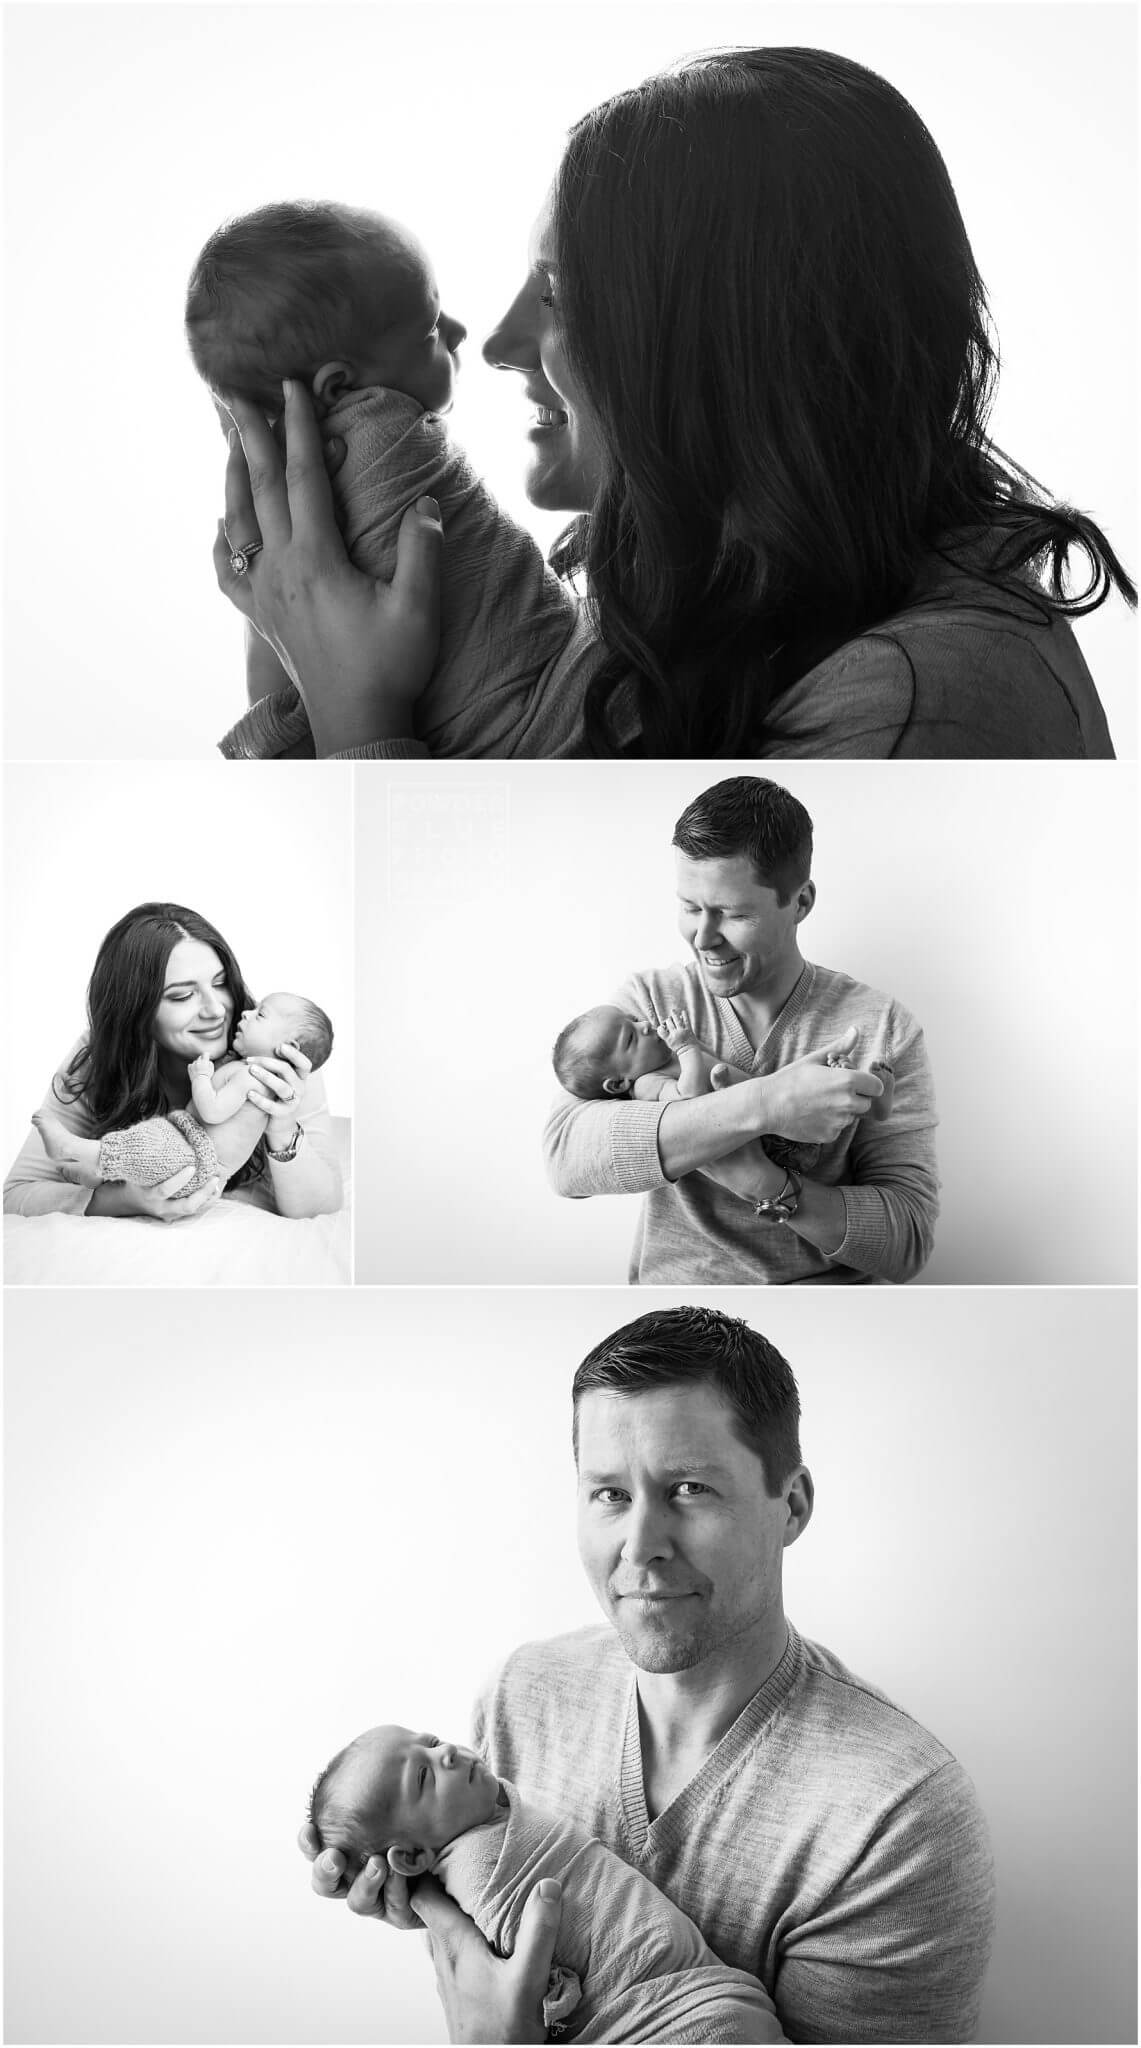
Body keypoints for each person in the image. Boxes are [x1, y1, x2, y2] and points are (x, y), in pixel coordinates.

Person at [214, 47, 1133, 761]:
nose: (493, 345)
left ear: (725, 335)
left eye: (559, 294)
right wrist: (291, 637)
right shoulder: (699, 603)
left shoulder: (916, 702)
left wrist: (357, 714)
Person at [299, 1306, 996, 2043]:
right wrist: (408, 1881)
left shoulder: (894, 1815)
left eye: (689, 1489)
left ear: (790, 1506)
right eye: (611, 1494)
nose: (640, 1548)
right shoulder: (520, 1696)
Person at [185, 201, 578, 761]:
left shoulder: (297, 498)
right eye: (432, 328)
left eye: (558, 294)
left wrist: (336, 707)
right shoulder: (381, 427)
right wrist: (281, 639)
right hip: (543, 732)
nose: (469, 336)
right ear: (338, 389)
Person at [543, 777, 938, 1284]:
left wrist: (764, 1182)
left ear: (800, 902)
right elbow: (565, 1159)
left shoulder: (883, 1027)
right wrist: (765, 1105)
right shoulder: (649, 1004)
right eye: (689, 908)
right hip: (675, 1303)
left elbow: (907, 1241)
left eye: (732, 914)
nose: (703, 938)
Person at [307, 1722, 783, 2042]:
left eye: (431, 1742)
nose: (448, 1753)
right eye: (424, 1776)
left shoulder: (484, 1821)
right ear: (411, 1856)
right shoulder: (480, 1879)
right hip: (660, 2020)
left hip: (704, 1996)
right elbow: (530, 1991)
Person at [4, 905, 342, 1223]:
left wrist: (282, 1129)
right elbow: (17, 1193)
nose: (217, 1010)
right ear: (135, 1011)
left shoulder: (276, 1049)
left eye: (221, 982)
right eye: (182, 995)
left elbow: (322, 1208)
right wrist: (123, 1202)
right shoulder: (100, 1055)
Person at [29, 989, 334, 1194]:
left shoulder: (256, 1079)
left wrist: (201, 1079)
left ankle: (74, 1150)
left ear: (289, 1049)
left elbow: (212, 1111)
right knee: (144, 1144)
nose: (245, 1014)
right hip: (187, 1141)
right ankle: (99, 1173)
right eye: (183, 994)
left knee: (147, 1151)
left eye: (261, 1016)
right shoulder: (241, 1066)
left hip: (199, 1161)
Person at [553, 1002, 896, 1115]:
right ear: (618, 1082)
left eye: (633, 1018)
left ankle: (864, 1088)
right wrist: (687, 1049)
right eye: (630, 1036)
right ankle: (871, 1096)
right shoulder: (646, 1085)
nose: (643, 1024)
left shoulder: (660, 1058)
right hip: (770, 1132)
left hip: (769, 1092)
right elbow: (688, 1097)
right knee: (817, 1102)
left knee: (816, 1084)